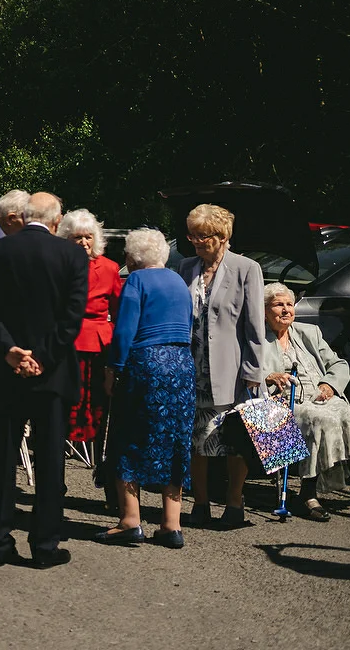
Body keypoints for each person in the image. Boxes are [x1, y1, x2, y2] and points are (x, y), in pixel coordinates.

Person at [0, 192, 87, 569]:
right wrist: (43, 356)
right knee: (50, 459)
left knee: (1, 456)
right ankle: (45, 545)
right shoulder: (71, 255)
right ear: (57, 219)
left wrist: (10, 351)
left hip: (5, 370)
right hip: (51, 373)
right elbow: (72, 316)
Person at [98, 228, 196, 548]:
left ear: (132, 257)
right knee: (174, 440)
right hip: (181, 363)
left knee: (129, 436)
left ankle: (129, 520)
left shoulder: (136, 281)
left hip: (146, 363)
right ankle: (172, 525)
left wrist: (114, 369)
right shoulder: (179, 282)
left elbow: (125, 331)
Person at [264, 282, 350, 524]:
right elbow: (245, 371)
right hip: (284, 402)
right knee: (319, 420)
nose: (286, 310)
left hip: (322, 396)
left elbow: (339, 364)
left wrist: (330, 385)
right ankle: (307, 495)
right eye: (279, 305)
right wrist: (269, 376)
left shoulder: (308, 333)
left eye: (289, 304)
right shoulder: (256, 339)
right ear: (265, 310)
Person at [176, 203, 265, 529]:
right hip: (193, 367)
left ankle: (234, 502)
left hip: (232, 369)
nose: (196, 242)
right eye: (193, 236)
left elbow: (255, 324)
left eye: (203, 236)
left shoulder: (246, 268)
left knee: (234, 440)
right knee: (197, 440)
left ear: (223, 235)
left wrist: (254, 371)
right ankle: (200, 504)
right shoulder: (187, 267)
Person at [59, 208, 124, 506]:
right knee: (62, 413)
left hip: (99, 347)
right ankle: (55, 483)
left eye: (88, 237)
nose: (83, 242)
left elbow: (119, 309)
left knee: (102, 416)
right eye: (76, 238)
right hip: (68, 343)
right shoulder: (57, 265)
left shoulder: (110, 267)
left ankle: (108, 479)